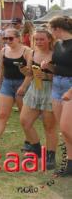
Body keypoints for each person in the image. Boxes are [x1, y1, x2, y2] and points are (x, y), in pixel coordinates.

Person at [0, 28, 32, 152]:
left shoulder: (27, 51)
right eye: (5, 38)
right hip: (7, 84)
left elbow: (30, 72)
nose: (8, 41)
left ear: (18, 38)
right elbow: (1, 68)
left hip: (22, 83)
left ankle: (30, 142)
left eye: (11, 38)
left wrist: (24, 86)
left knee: (24, 117)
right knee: (2, 114)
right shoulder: (4, 50)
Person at [19, 29, 57, 169]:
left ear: (49, 39)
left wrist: (48, 72)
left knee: (49, 126)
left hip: (51, 90)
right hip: (34, 89)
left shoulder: (56, 54)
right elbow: (30, 74)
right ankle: (36, 149)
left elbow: (63, 75)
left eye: (42, 39)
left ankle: (50, 156)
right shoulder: (33, 53)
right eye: (37, 40)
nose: (39, 42)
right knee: (25, 121)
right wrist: (24, 77)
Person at [41, 16, 72, 177]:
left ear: (57, 29)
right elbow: (59, 69)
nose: (50, 32)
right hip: (57, 86)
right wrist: (48, 67)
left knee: (67, 128)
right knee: (65, 130)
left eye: (51, 29)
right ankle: (70, 163)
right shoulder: (58, 45)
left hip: (69, 87)